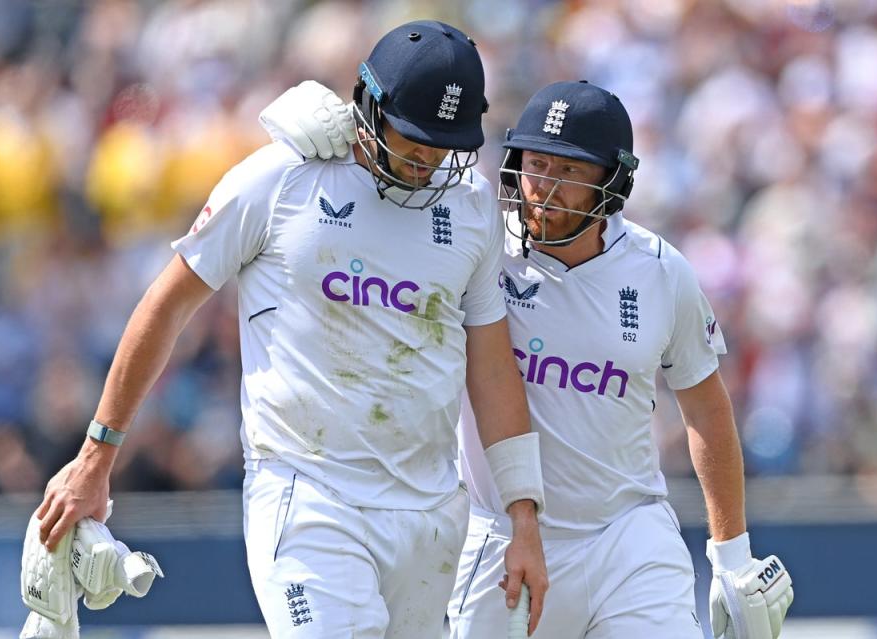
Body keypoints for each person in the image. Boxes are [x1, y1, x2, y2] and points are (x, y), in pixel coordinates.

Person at [33, 20, 549, 639]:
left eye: (442, 149)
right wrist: (97, 455)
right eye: (413, 142)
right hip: (309, 497)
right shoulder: (278, 179)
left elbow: (492, 367)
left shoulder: (470, 207)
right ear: (368, 104)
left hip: (432, 513)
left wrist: (524, 517)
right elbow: (166, 306)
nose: (427, 164)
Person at [261, 80, 794, 639]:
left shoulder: (662, 272)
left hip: (628, 537)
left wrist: (733, 557)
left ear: (612, 182)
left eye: (570, 172)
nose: (544, 188)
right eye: (536, 164)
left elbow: (706, 409)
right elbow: (394, 172)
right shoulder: (472, 242)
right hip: (500, 539)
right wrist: (328, 129)